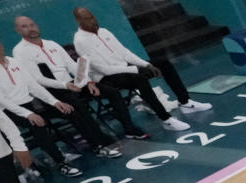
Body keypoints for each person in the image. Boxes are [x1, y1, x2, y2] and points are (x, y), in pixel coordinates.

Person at [12, 15, 150, 140]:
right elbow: (38, 79)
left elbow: (72, 65)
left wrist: (88, 82)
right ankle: (98, 138)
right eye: (24, 26)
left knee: (111, 92)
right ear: (18, 30)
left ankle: (129, 129)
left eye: (32, 24)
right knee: (77, 106)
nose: (30, 28)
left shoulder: (51, 44)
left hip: (74, 83)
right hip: (54, 90)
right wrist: (65, 85)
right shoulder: (20, 51)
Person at [0, 38, 121, 177]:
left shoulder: (14, 61)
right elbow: (1, 100)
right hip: (7, 110)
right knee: (38, 125)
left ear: (0, 44)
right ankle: (61, 163)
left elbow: (34, 86)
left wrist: (55, 102)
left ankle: (97, 146)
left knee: (70, 110)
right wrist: (27, 114)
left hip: (30, 102)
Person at [71, 7, 206, 133]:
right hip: (107, 78)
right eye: (87, 19)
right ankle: (166, 120)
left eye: (92, 17)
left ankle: (185, 102)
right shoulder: (80, 41)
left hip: (125, 68)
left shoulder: (104, 31)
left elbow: (124, 52)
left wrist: (146, 65)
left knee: (163, 63)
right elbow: (103, 69)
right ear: (78, 21)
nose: (92, 21)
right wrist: (135, 69)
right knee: (139, 79)